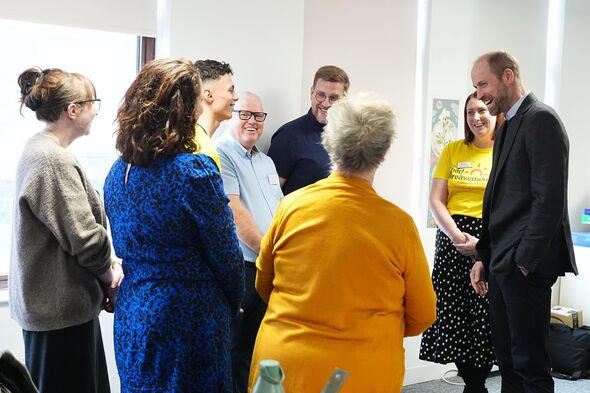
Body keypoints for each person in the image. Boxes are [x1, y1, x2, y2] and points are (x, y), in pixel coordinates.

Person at [248, 92, 437, 392]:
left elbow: (263, 283)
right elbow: (423, 315)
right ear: (384, 152)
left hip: (282, 369)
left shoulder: (291, 207)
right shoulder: (398, 225)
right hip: (361, 372)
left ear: (328, 142)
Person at [104, 58, 244, 393]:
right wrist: (235, 300)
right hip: (188, 318)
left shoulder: (117, 173)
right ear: (186, 106)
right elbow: (226, 254)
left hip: (134, 313)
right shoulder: (192, 172)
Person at [11, 67, 124, 393]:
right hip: (59, 317)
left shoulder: (42, 151)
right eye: (93, 102)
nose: (96, 111)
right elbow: (84, 238)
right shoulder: (50, 159)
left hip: (56, 313)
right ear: (72, 110)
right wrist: (109, 275)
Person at [470, 51, 577, 393]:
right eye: (475, 86)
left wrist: (525, 262)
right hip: (502, 261)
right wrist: (483, 256)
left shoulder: (542, 119)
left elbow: (550, 200)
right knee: (508, 360)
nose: (479, 93)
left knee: (530, 363)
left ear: (508, 76)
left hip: (524, 264)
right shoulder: (505, 126)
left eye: (483, 83)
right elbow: (498, 200)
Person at [419, 92, 502, 393]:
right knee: (454, 317)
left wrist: (482, 245)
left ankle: (476, 386)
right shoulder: (453, 150)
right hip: (453, 238)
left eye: (482, 110)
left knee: (485, 315)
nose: (476, 117)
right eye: (470, 112)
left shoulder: (503, 151)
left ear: (494, 113)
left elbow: (509, 204)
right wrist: (457, 236)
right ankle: (474, 385)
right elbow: (435, 199)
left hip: (491, 238)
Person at [216, 92, 283, 393]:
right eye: (244, 114)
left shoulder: (267, 162)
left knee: (261, 347)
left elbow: (280, 211)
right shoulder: (221, 154)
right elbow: (234, 213)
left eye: (258, 116)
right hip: (243, 267)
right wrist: (273, 255)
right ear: (231, 115)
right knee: (236, 349)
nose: (252, 122)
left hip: (268, 268)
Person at [267, 65, 349, 194]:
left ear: (344, 99)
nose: (326, 103)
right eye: (320, 95)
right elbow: (270, 195)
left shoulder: (352, 138)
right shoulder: (288, 136)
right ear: (311, 93)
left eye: (333, 98)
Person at [194, 59, 239, 170]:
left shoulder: (193, 139)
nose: (236, 96)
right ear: (209, 95)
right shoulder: (203, 149)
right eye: (230, 90)